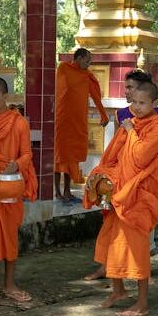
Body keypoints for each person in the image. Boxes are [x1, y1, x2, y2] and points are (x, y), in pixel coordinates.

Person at [84, 70, 158, 281]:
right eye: (127, 88)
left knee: (140, 229)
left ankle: (141, 271)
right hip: (123, 178)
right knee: (112, 226)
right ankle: (107, 268)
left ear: (145, 92)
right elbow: (116, 147)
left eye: (131, 88)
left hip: (144, 178)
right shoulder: (122, 114)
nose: (128, 93)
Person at [83, 81, 158, 316]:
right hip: (121, 191)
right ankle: (118, 291)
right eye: (134, 102)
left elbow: (141, 158)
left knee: (137, 248)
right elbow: (113, 155)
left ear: (155, 103)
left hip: (140, 193)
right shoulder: (128, 123)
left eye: (143, 103)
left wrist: (131, 131)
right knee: (112, 241)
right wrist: (103, 176)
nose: (137, 107)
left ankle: (142, 302)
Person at [0, 77, 37, 302]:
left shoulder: (18, 122)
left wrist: (18, 165)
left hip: (9, 186)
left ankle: (9, 285)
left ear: (6, 97)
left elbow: (27, 154)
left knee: (10, 237)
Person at [55, 48, 110, 204]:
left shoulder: (87, 76)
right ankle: (57, 192)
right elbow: (60, 90)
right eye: (87, 60)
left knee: (73, 157)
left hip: (77, 121)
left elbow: (96, 97)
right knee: (59, 157)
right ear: (78, 59)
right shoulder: (63, 68)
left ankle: (67, 191)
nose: (89, 64)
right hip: (62, 119)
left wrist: (103, 114)